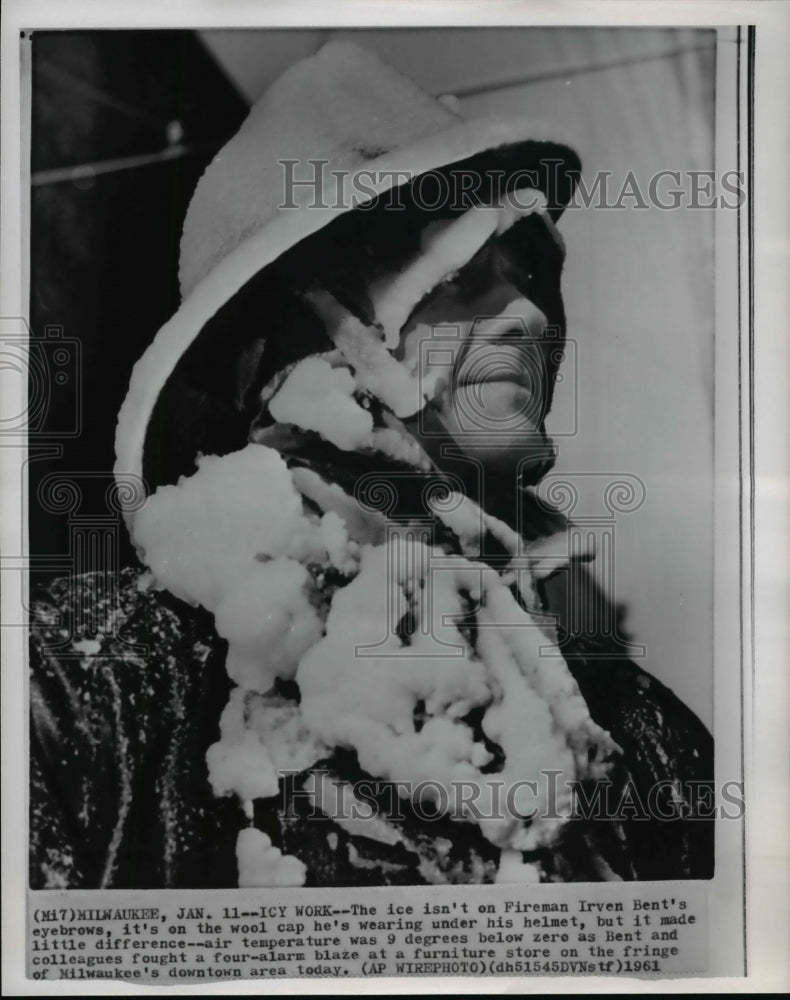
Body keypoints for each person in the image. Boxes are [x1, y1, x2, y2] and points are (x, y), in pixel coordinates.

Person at [29, 41, 713, 890]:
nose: (531, 313)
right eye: (463, 276)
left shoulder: (648, 742)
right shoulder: (84, 690)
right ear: (285, 356)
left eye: (533, 271)